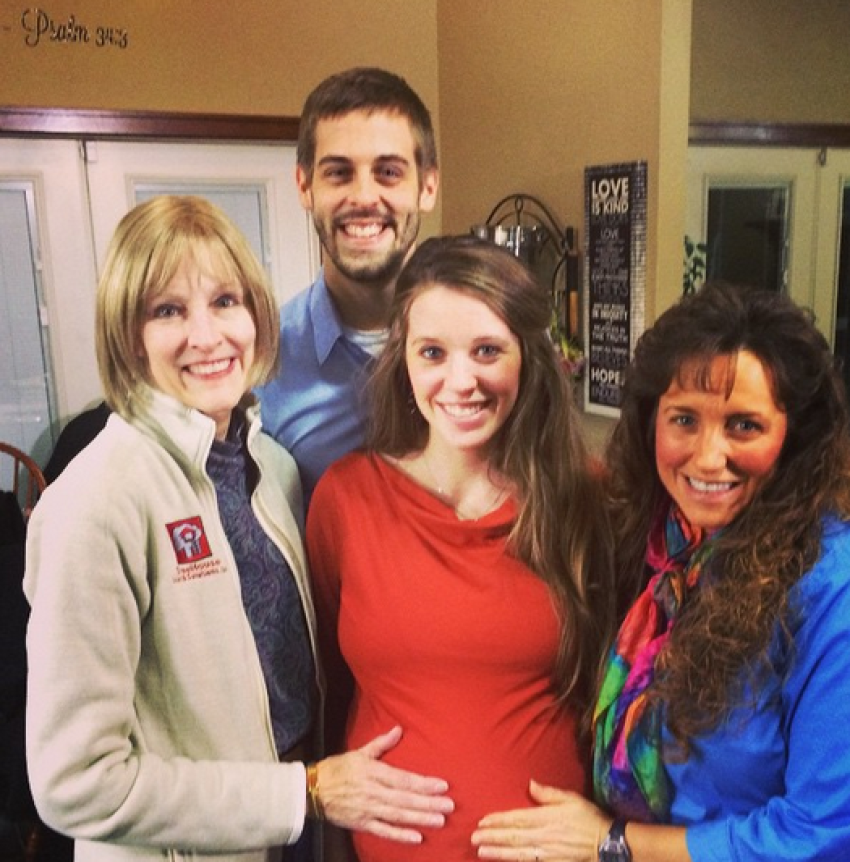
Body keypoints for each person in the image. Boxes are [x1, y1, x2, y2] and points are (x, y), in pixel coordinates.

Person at [23, 195, 453, 862]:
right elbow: (74, 784)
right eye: (168, 310)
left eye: (225, 301)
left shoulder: (271, 469)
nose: (207, 335)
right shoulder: (95, 502)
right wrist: (300, 792)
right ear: (126, 335)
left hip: (291, 837)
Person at [472, 280, 850, 862]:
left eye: (743, 425)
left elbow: (820, 834)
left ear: (794, 436)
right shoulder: (647, 542)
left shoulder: (829, 589)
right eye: (684, 420)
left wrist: (613, 843)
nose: (706, 456)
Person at [307, 235, 615, 862]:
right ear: (405, 360)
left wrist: (606, 833)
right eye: (432, 353)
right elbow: (323, 693)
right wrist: (321, 792)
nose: (460, 380)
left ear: (527, 357)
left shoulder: (585, 496)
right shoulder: (347, 498)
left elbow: (619, 692)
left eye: (486, 351)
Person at [258, 66, 440, 505]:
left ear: (427, 186)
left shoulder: (490, 347)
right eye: (339, 173)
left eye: (389, 173)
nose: (362, 197)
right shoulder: (261, 366)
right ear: (304, 186)